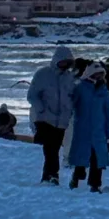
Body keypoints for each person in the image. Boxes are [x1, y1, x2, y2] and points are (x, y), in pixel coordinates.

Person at [27, 45, 76, 184]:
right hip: (45, 118)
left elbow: (73, 97)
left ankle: (48, 176)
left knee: (54, 148)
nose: (64, 64)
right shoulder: (43, 74)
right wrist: (41, 109)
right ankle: (52, 175)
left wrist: (70, 111)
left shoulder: (70, 78)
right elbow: (32, 95)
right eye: (63, 61)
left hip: (62, 120)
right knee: (50, 149)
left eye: (67, 62)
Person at [68, 62, 109, 193]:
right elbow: (71, 104)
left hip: (99, 131)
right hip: (83, 130)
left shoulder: (104, 91)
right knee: (82, 156)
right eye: (96, 74)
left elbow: (108, 112)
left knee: (97, 158)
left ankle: (95, 184)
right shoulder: (80, 88)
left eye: (101, 74)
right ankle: (76, 177)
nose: (98, 76)